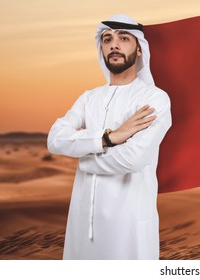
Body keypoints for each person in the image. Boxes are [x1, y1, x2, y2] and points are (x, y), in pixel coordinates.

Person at [47, 14, 171, 260]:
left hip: (128, 226)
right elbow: (55, 139)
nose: (114, 44)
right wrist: (109, 138)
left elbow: (132, 159)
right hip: (82, 226)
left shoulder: (154, 99)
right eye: (107, 39)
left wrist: (84, 159)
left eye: (123, 38)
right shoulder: (88, 98)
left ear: (138, 50)